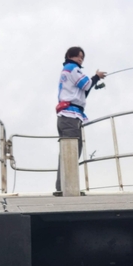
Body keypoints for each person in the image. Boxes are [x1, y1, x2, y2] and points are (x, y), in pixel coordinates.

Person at [55, 46, 106, 195]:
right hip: (71, 116)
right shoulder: (73, 69)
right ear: (70, 56)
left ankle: (63, 187)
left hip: (66, 115)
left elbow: (82, 90)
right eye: (78, 56)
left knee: (67, 151)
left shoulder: (66, 70)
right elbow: (86, 84)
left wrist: (94, 79)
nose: (80, 59)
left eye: (82, 57)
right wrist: (96, 76)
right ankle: (68, 189)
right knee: (72, 150)